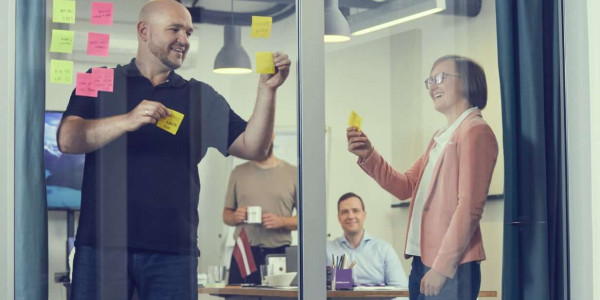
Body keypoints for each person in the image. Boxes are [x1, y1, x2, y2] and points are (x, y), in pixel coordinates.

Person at [57, 0, 291, 299]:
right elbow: (68, 138)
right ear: (144, 30)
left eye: (189, 32)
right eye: (175, 29)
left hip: (173, 253)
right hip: (102, 248)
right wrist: (127, 120)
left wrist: (267, 92)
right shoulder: (97, 79)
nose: (184, 39)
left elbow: (255, 147)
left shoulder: (200, 96)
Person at [346, 55, 498, 300]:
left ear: (467, 82)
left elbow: (469, 207)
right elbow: (405, 187)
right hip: (423, 261)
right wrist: (369, 155)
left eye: (440, 78)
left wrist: (441, 268)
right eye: (430, 81)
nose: (433, 87)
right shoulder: (442, 136)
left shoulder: (475, 131)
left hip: (450, 266)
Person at [223, 141, 297, 284]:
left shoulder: (293, 173)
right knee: (239, 297)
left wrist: (281, 221)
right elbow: (226, 215)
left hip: (279, 253)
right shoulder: (238, 172)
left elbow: (306, 220)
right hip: (244, 251)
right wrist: (235, 216)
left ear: (272, 136)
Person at [327, 192, 408, 287]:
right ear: (339, 217)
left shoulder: (384, 249)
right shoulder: (326, 250)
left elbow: (401, 289)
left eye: (355, 210)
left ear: (364, 215)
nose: (350, 216)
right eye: (345, 212)